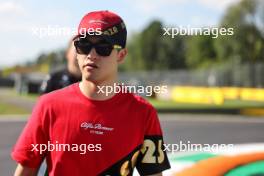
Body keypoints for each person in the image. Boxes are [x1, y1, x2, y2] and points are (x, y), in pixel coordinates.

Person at [11, 10, 170, 176]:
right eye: (84, 45)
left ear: (121, 55)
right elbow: (26, 170)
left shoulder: (143, 113)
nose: (91, 55)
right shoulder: (48, 105)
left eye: (103, 48)